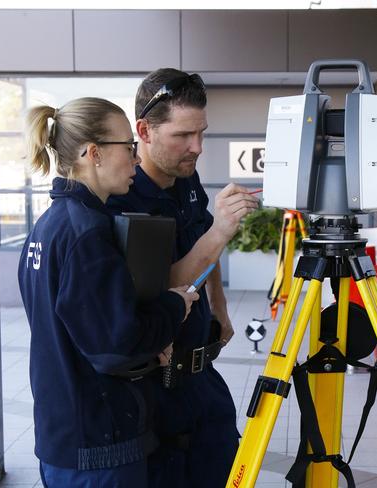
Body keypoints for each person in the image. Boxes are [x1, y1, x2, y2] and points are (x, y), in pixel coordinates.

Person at [18, 97, 199, 488]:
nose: (137, 159)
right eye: (129, 147)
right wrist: (174, 306)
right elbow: (115, 345)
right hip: (98, 446)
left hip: (65, 434)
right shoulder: (87, 234)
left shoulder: (47, 227)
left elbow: (80, 330)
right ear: (94, 153)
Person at [107, 69, 259, 487]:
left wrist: (221, 309)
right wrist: (219, 233)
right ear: (144, 131)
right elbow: (150, 292)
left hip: (200, 377)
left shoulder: (185, 178)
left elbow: (200, 243)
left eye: (202, 133)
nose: (198, 147)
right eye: (184, 136)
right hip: (157, 388)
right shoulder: (123, 195)